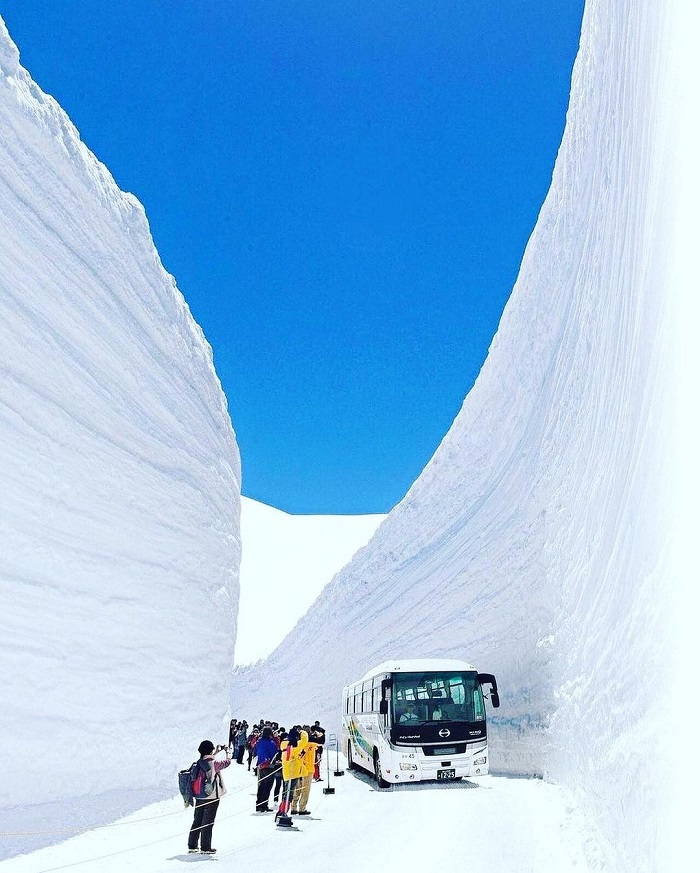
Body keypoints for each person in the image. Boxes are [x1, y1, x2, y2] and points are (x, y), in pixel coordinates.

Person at [187, 741, 231, 855]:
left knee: (197, 820)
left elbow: (208, 761)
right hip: (212, 797)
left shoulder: (198, 763)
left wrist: (215, 752)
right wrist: (227, 752)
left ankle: (192, 845)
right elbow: (227, 763)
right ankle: (205, 847)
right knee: (208, 822)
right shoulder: (214, 763)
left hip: (199, 796)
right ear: (210, 751)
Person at [254, 727, 279, 812]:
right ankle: (264, 805)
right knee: (267, 786)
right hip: (269, 767)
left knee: (261, 786)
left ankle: (258, 804)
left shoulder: (259, 742)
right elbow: (275, 752)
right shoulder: (271, 743)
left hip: (260, 766)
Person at [294, 727, 318, 815]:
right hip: (308, 769)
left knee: (297, 788)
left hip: (299, 769)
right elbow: (321, 740)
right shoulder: (312, 743)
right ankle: (302, 808)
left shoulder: (298, 743)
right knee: (305, 790)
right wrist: (318, 733)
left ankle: (293, 807)